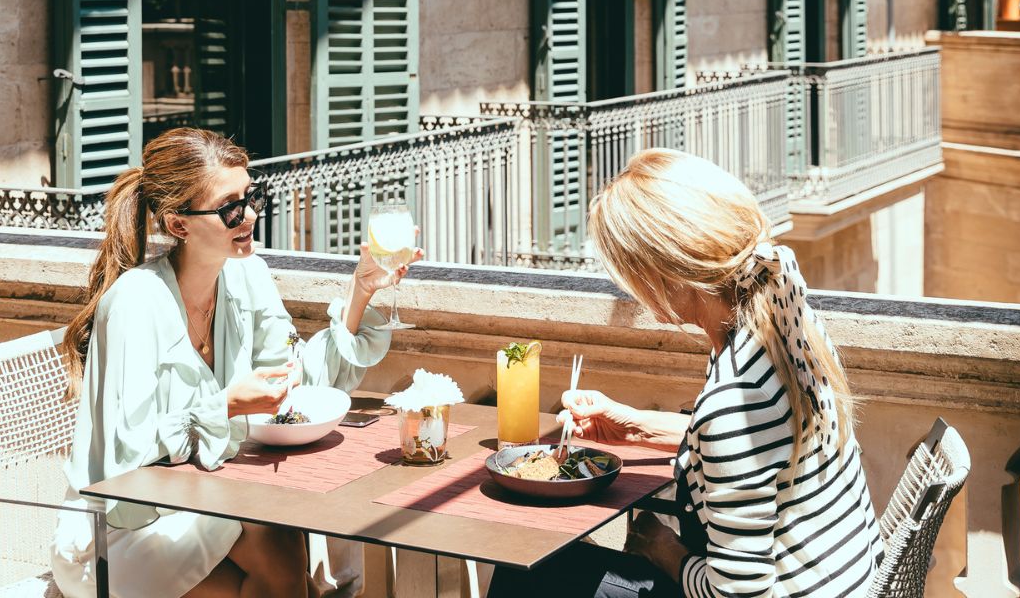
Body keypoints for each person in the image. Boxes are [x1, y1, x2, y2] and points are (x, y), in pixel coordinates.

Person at [493, 150, 883, 598]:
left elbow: (739, 594)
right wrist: (636, 427)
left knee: (525, 575)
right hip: (839, 577)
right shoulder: (785, 326)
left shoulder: (735, 397)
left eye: (627, 269)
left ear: (661, 270)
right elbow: (757, 449)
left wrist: (664, 549)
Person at [51, 128, 419, 598]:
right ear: (179, 224)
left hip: (211, 499)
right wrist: (222, 405)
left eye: (251, 197)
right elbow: (126, 456)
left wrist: (362, 289)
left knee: (282, 548)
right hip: (125, 527)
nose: (247, 216)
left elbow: (295, 373)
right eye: (229, 208)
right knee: (284, 575)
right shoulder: (134, 304)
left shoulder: (246, 273)